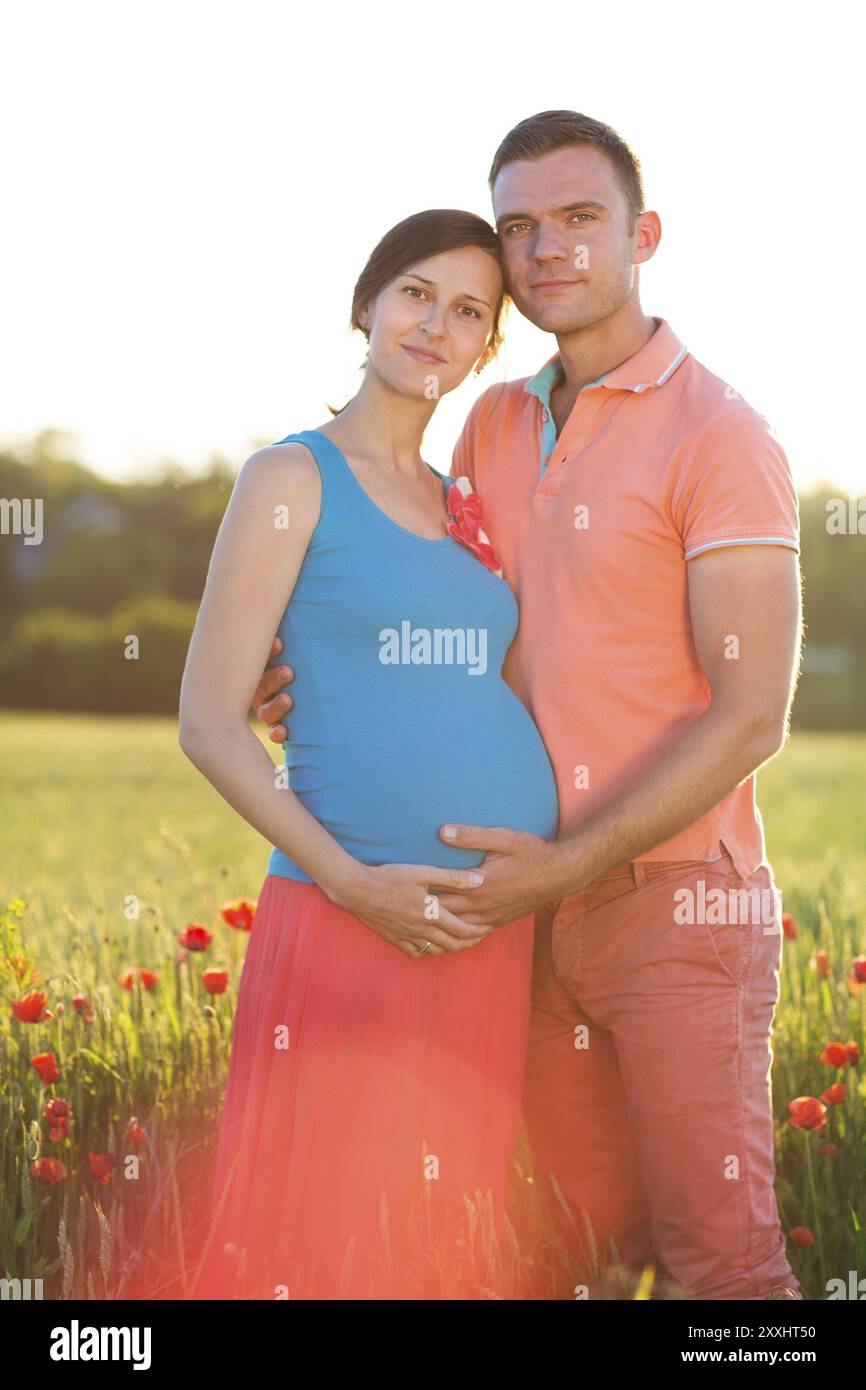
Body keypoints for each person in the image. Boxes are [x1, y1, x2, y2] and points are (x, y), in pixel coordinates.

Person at [252, 112, 804, 1300]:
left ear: (640, 234)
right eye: (518, 225)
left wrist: (566, 869)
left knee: (721, 1261)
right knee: (567, 1249)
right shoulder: (493, 421)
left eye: (577, 218)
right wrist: (297, 670)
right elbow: (437, 615)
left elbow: (752, 708)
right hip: (516, 916)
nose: (544, 246)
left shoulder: (721, 432)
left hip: (672, 905)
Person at [178, 208, 560, 1299]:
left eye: (468, 311)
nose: (434, 324)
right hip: (348, 913)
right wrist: (354, 884)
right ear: (367, 303)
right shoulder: (288, 477)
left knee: (434, 1237)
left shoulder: (464, 508)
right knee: (317, 1235)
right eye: (414, 292)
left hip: (480, 928)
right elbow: (207, 720)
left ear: (488, 348)